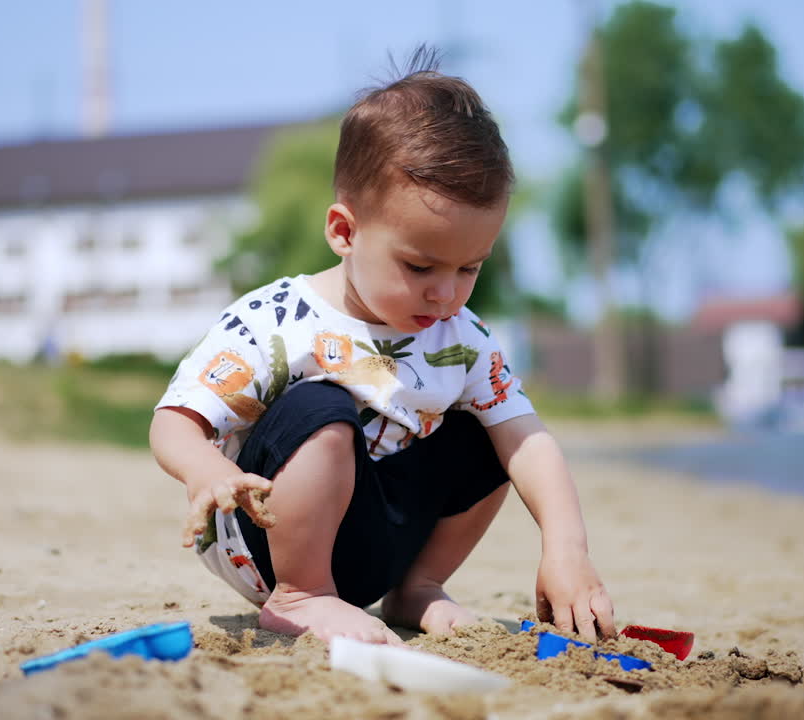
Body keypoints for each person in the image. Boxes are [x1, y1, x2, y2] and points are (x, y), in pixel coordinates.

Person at [149, 49, 615, 646]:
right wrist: (206, 468)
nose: (446, 294)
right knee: (321, 406)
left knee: (493, 435)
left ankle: (416, 586)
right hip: (271, 538)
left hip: (380, 541)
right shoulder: (278, 321)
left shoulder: (462, 339)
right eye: (419, 265)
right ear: (345, 232)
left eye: (469, 268)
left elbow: (529, 442)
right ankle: (305, 595)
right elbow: (173, 423)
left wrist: (566, 548)